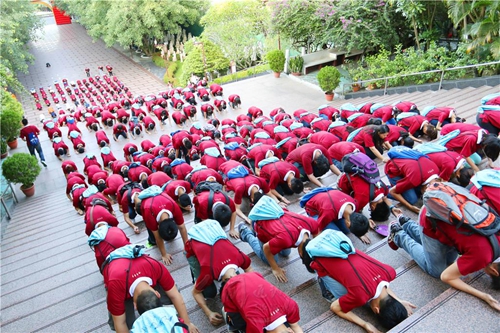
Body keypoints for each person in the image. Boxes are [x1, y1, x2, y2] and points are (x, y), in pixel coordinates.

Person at [388, 196, 500, 311]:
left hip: (443, 208)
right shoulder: (482, 257)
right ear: (494, 271)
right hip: (431, 218)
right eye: (489, 275)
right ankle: (398, 235)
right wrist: (484, 296)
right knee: (437, 271)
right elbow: (446, 277)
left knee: (449, 261)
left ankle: (406, 223)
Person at [299, 230, 415, 332]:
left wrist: (399, 300)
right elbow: (335, 307)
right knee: (338, 297)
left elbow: (382, 284)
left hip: (334, 240)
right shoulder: (360, 296)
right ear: (376, 310)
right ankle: (323, 283)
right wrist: (365, 324)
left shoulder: (389, 272)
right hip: (315, 257)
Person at [102, 247, 199, 332]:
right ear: (157, 294)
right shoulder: (114, 286)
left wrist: (187, 324)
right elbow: (120, 323)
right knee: (125, 321)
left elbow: (175, 295)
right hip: (117, 277)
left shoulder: (153, 265)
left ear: (157, 293)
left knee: (174, 291)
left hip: (137, 271)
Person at [185, 220, 253, 326]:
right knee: (209, 293)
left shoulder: (241, 257)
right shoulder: (208, 273)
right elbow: (195, 292)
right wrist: (209, 313)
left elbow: (250, 272)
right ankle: (195, 272)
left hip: (213, 230)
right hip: (194, 240)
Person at [238, 196, 319, 282]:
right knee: (270, 260)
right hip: (260, 223)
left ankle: (274, 240)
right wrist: (275, 268)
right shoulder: (285, 239)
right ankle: (245, 232)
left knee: (286, 253)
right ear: (300, 253)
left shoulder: (312, 223)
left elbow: (316, 237)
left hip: (280, 226)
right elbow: (266, 248)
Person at [220, 271, 303, 333]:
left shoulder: (292, 306)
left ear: (290, 331)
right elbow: (295, 326)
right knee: (239, 325)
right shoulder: (256, 325)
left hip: (253, 276)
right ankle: (225, 312)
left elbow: (296, 326)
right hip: (228, 290)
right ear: (290, 330)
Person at [134, 186, 188, 265]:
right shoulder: (148, 212)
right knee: (152, 230)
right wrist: (164, 254)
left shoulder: (174, 206)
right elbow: (158, 237)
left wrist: (187, 247)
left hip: (163, 201)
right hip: (147, 205)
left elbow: (182, 227)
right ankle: (151, 239)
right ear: (158, 225)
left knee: (169, 233)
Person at [301, 188, 371, 243]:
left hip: (332, 206)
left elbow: (358, 222)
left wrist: (360, 231)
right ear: (348, 223)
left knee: (346, 230)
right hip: (315, 210)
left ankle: (334, 221)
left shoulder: (353, 203)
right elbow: (316, 230)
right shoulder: (328, 212)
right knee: (337, 235)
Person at [385, 147, 440, 213]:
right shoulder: (414, 180)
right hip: (393, 171)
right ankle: (382, 190)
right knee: (412, 199)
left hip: (409, 170)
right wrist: (410, 207)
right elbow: (392, 192)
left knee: (416, 192)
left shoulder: (436, 170)